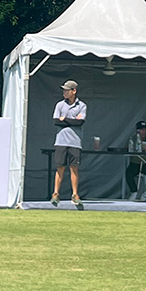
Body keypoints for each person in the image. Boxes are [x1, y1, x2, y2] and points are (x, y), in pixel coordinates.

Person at [51, 80, 87, 210]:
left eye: (67, 90)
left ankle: (75, 194)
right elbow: (56, 121)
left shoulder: (82, 105)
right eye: (64, 90)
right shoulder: (60, 105)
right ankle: (56, 193)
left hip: (75, 142)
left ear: (74, 91)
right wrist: (72, 120)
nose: (64, 92)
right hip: (61, 141)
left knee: (74, 168)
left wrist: (64, 119)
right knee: (60, 167)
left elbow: (80, 122)